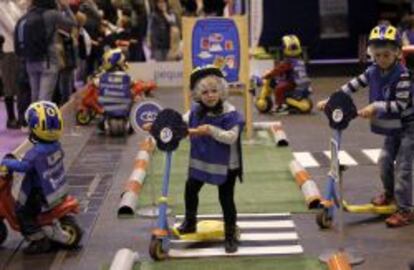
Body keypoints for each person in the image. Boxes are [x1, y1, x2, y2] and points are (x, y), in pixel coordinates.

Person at [317, 24, 414, 228]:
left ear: (397, 53)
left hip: (409, 127)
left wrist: (375, 107)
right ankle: (389, 194)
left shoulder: (403, 76)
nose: (381, 60)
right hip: (394, 127)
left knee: (403, 169)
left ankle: (406, 210)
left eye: (386, 55)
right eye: (376, 55)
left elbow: (401, 104)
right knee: (384, 161)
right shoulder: (372, 71)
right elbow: (351, 86)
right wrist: (331, 100)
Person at [176, 65, 244, 253]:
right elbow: (180, 123)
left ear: (221, 90)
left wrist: (211, 130)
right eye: (205, 92)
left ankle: (230, 235)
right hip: (203, 161)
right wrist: (158, 125)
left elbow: (231, 137)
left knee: (226, 198)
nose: (210, 95)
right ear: (198, 94)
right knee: (190, 188)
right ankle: (190, 222)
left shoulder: (230, 112)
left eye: (214, 91)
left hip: (226, 164)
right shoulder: (196, 110)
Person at [1, 101, 68, 254]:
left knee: (22, 213)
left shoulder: (35, 153)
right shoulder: (55, 145)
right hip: (51, 187)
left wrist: (7, 162)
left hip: (36, 191)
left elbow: (24, 166)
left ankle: (38, 240)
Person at [262, 34, 311, 114]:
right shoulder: (299, 60)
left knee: (278, 89)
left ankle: (280, 106)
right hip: (300, 82)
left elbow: (278, 70)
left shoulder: (288, 62)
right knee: (280, 82)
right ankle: (289, 103)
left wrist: (268, 75)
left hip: (292, 83)